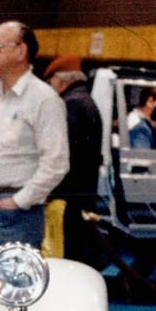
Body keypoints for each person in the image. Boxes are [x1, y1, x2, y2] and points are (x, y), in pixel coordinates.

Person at [0, 20, 67, 247]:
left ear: (21, 51)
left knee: (9, 280)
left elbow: (57, 162)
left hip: (15, 214)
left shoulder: (44, 99)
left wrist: (20, 201)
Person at [43, 55, 102, 263]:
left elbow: (64, 156)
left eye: (51, 82)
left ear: (61, 80)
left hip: (66, 198)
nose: (50, 87)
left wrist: (48, 189)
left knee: (61, 255)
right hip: (79, 196)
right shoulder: (85, 101)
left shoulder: (71, 105)